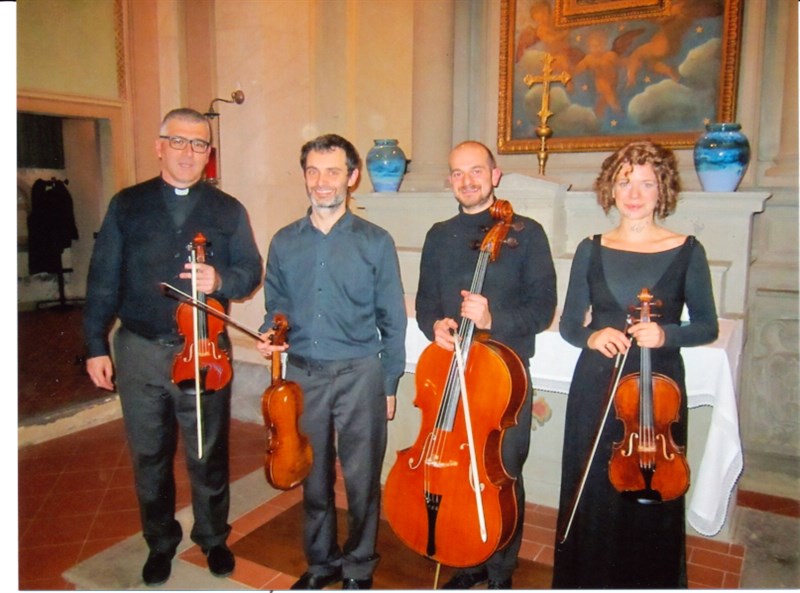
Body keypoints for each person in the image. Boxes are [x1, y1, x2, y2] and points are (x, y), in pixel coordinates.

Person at [83, 108, 262, 586]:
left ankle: (213, 536)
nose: (188, 152)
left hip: (204, 350)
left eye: (199, 144)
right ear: (159, 146)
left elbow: (250, 271)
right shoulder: (127, 204)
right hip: (140, 350)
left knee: (208, 451)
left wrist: (220, 279)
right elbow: (103, 277)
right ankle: (160, 542)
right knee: (149, 455)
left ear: (209, 154)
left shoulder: (227, 209)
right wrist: (95, 344)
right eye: (178, 141)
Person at [551, 140, 719, 588]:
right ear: (611, 188)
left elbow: (706, 325)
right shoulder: (591, 248)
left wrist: (667, 334)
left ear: (663, 189)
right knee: (593, 492)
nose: (634, 193)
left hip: (657, 392)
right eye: (625, 182)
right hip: (598, 385)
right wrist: (592, 335)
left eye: (647, 183)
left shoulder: (687, 250)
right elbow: (569, 324)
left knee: (652, 492)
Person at [255, 134, 406, 590]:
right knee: (313, 478)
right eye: (313, 171)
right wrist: (271, 332)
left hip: (361, 374)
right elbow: (276, 306)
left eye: (333, 172)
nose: (322, 182)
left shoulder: (376, 242)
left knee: (362, 481)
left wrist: (390, 384)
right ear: (305, 176)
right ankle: (321, 564)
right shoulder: (285, 241)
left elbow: (393, 319)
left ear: (352, 177)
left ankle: (358, 566)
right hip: (304, 376)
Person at [415, 140, 557, 589]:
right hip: (452, 374)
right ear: (450, 181)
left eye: (476, 170)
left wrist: (494, 319)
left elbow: (543, 309)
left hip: (503, 380)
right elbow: (425, 302)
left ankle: (500, 570)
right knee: (458, 473)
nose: (467, 180)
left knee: (500, 475)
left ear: (495, 176)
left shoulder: (528, 234)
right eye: (458, 173)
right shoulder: (439, 235)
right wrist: (434, 326)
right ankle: (468, 560)